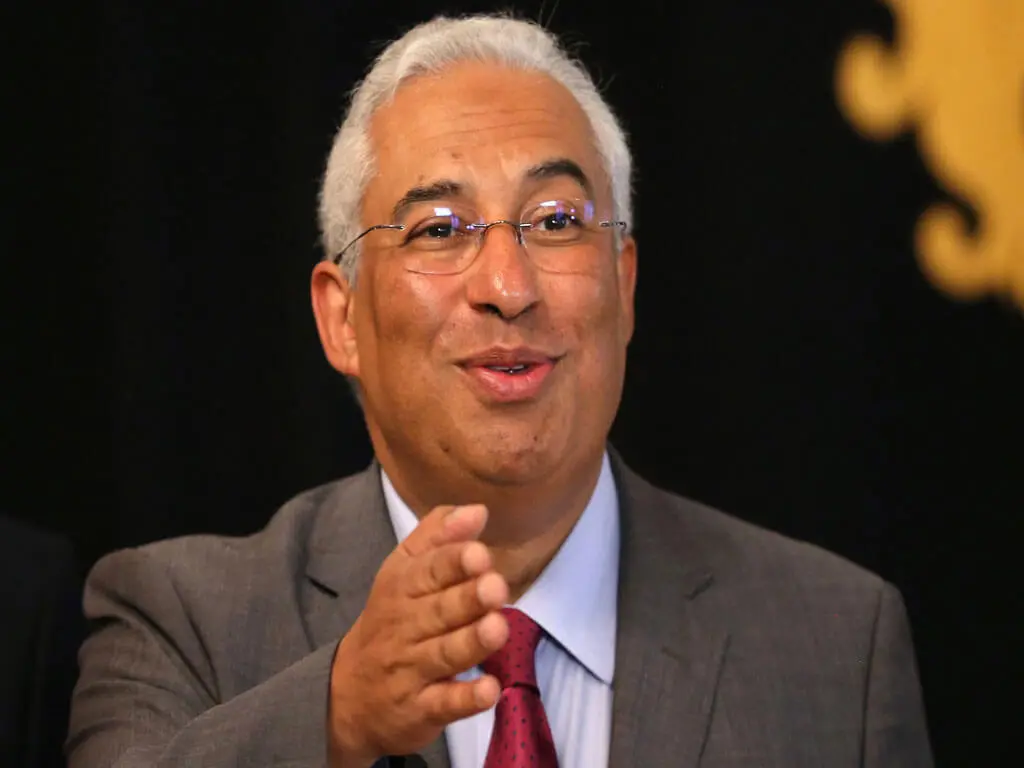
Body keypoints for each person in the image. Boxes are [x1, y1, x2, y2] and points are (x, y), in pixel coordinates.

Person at [66, 13, 934, 768]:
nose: (508, 286)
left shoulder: (834, 644)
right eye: (439, 229)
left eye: (555, 221)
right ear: (342, 319)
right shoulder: (182, 621)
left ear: (625, 284)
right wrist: (334, 719)